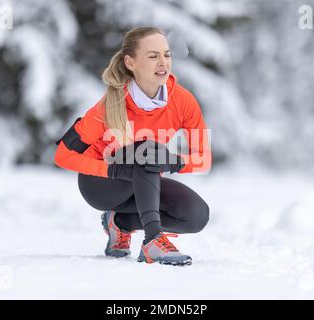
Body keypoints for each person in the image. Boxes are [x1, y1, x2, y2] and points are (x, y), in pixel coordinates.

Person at [54, 26, 211, 266]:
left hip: (142, 180)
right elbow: (62, 156)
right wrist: (112, 170)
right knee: (147, 148)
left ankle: (119, 223)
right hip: (101, 184)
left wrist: (174, 162)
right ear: (131, 62)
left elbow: (203, 157)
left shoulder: (183, 101)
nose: (163, 62)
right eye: (152, 56)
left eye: (166, 55)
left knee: (195, 216)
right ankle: (153, 241)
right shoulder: (108, 107)